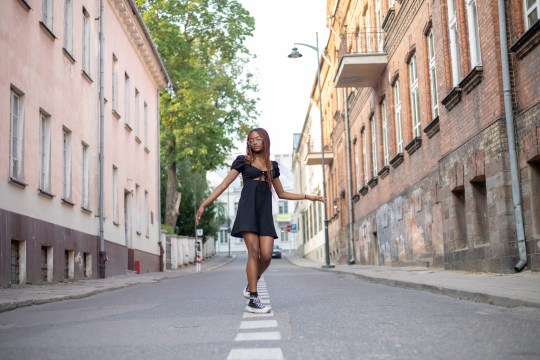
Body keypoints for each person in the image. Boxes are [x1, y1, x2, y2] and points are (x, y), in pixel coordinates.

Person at [195, 128, 325, 314]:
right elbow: (224, 184)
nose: (254, 142)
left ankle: (251, 284)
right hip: (247, 211)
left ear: (265, 141)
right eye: (251, 140)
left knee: (266, 255)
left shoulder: (273, 166)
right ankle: (253, 299)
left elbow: (281, 194)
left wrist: (307, 196)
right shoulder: (243, 161)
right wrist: (204, 204)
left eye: (258, 139)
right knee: (254, 252)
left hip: (264, 214)